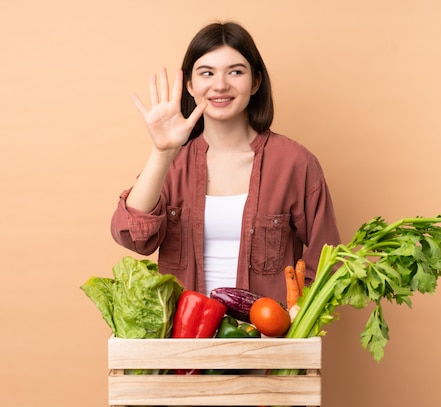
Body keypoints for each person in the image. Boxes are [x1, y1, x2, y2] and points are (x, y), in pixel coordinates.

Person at [111, 21, 340, 305]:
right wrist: (161, 152)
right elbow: (132, 237)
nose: (220, 85)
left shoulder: (295, 163)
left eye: (235, 71)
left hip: (268, 341)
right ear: (190, 86)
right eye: (207, 73)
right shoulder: (173, 163)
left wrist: (293, 320)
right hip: (186, 339)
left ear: (256, 82)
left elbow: (329, 263)